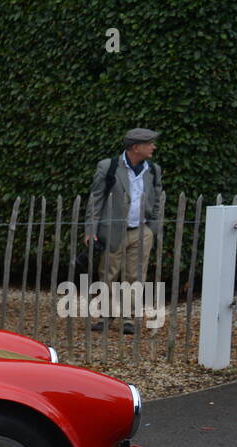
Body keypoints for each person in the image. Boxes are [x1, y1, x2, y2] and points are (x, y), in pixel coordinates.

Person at [84, 128, 164, 332]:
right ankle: (105, 315)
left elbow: (157, 200)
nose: (153, 147)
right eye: (149, 144)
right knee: (108, 273)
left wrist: (152, 229)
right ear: (136, 147)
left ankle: (128, 318)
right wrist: (90, 229)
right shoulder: (108, 167)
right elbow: (96, 198)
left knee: (135, 275)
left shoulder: (153, 170)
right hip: (113, 230)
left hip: (141, 229)